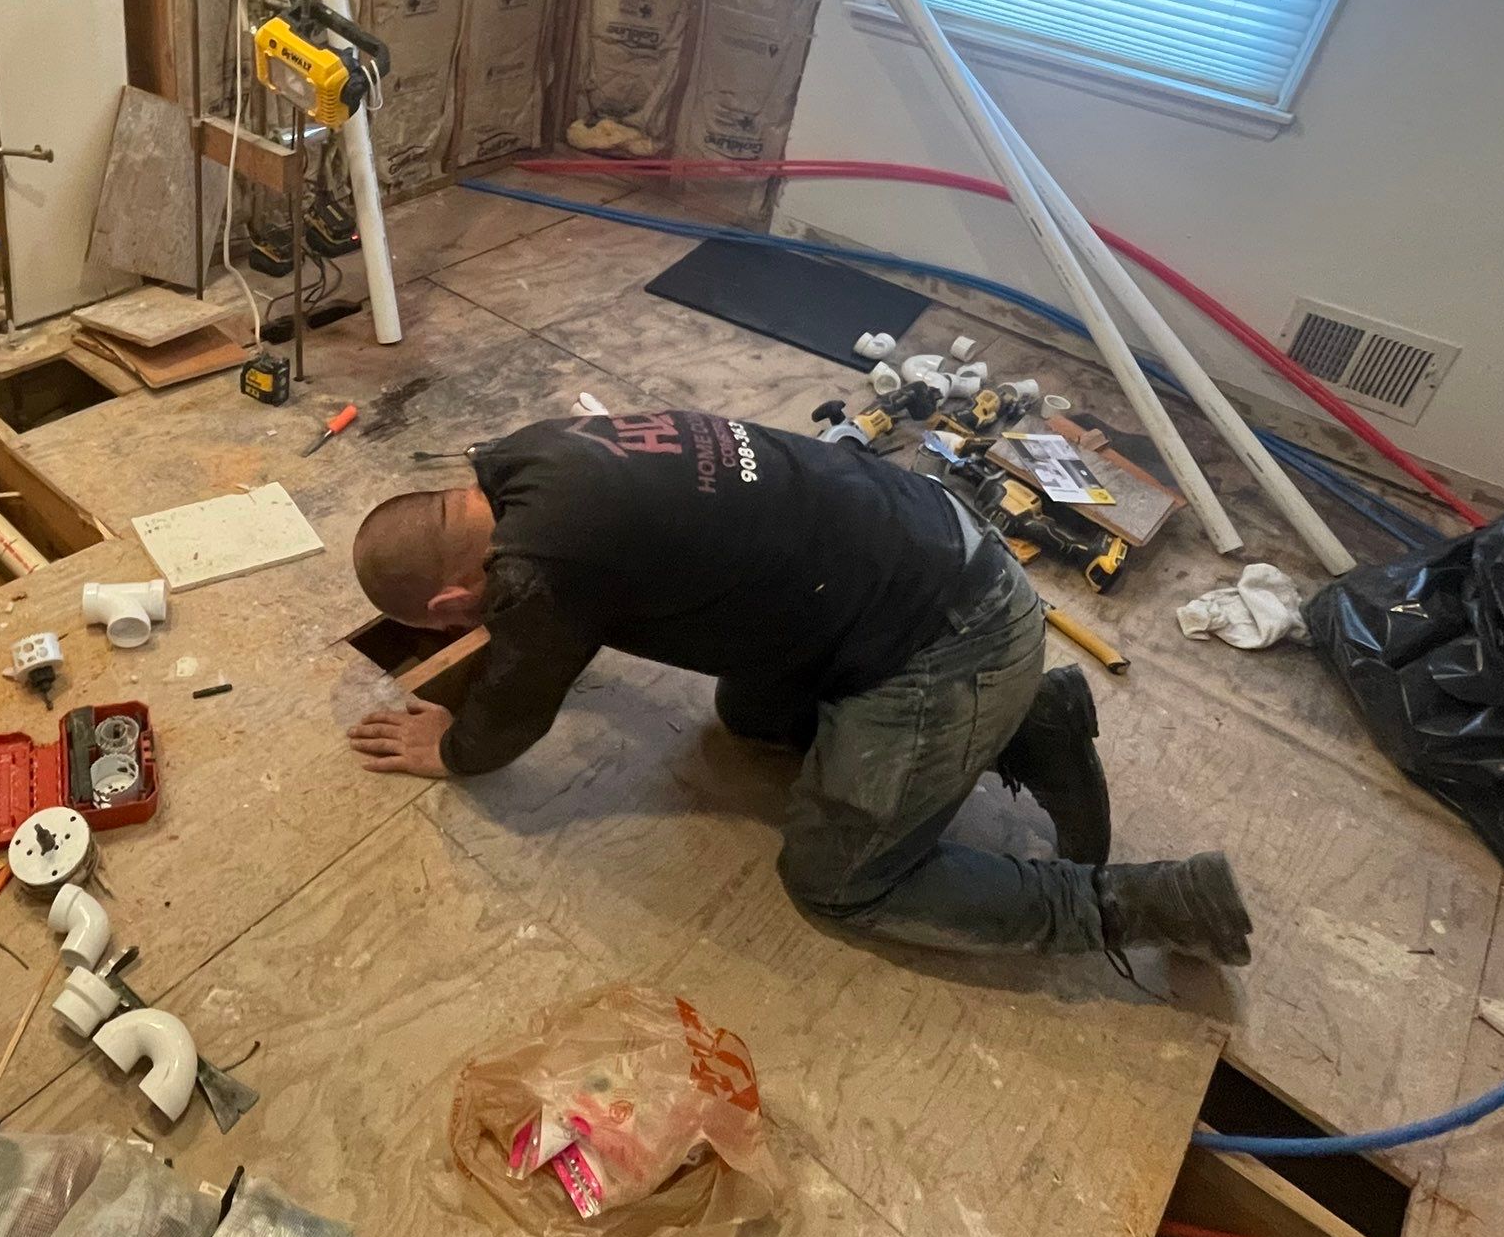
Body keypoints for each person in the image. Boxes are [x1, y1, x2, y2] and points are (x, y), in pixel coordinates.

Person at [342, 409, 1252, 964]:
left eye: (456, 621)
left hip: (956, 635)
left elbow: (514, 710)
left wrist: (457, 751)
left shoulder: (540, 571)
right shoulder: (524, 458)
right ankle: (1028, 722)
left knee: (839, 879)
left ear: (454, 597)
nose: (473, 624)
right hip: (937, 550)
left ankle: (1141, 904)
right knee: (748, 716)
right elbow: (575, 600)